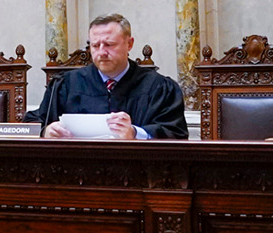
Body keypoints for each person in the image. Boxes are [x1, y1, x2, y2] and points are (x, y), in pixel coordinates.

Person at [26, 14, 187, 139]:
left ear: (129, 44)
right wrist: (45, 131)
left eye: (109, 45)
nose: (102, 52)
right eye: (95, 45)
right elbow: (29, 125)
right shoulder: (66, 85)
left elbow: (176, 133)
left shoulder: (158, 87)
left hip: (139, 174)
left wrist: (135, 134)